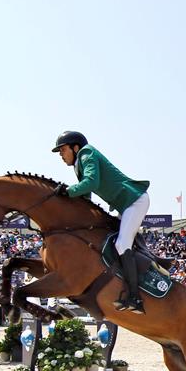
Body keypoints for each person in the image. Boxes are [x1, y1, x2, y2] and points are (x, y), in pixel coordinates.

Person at [51, 131, 151, 313]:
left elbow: (91, 182)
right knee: (111, 241)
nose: (61, 155)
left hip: (134, 201)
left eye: (63, 150)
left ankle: (135, 298)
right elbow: (86, 195)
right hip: (126, 206)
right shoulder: (79, 164)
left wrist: (68, 190)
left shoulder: (86, 153)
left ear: (75, 147)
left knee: (122, 244)